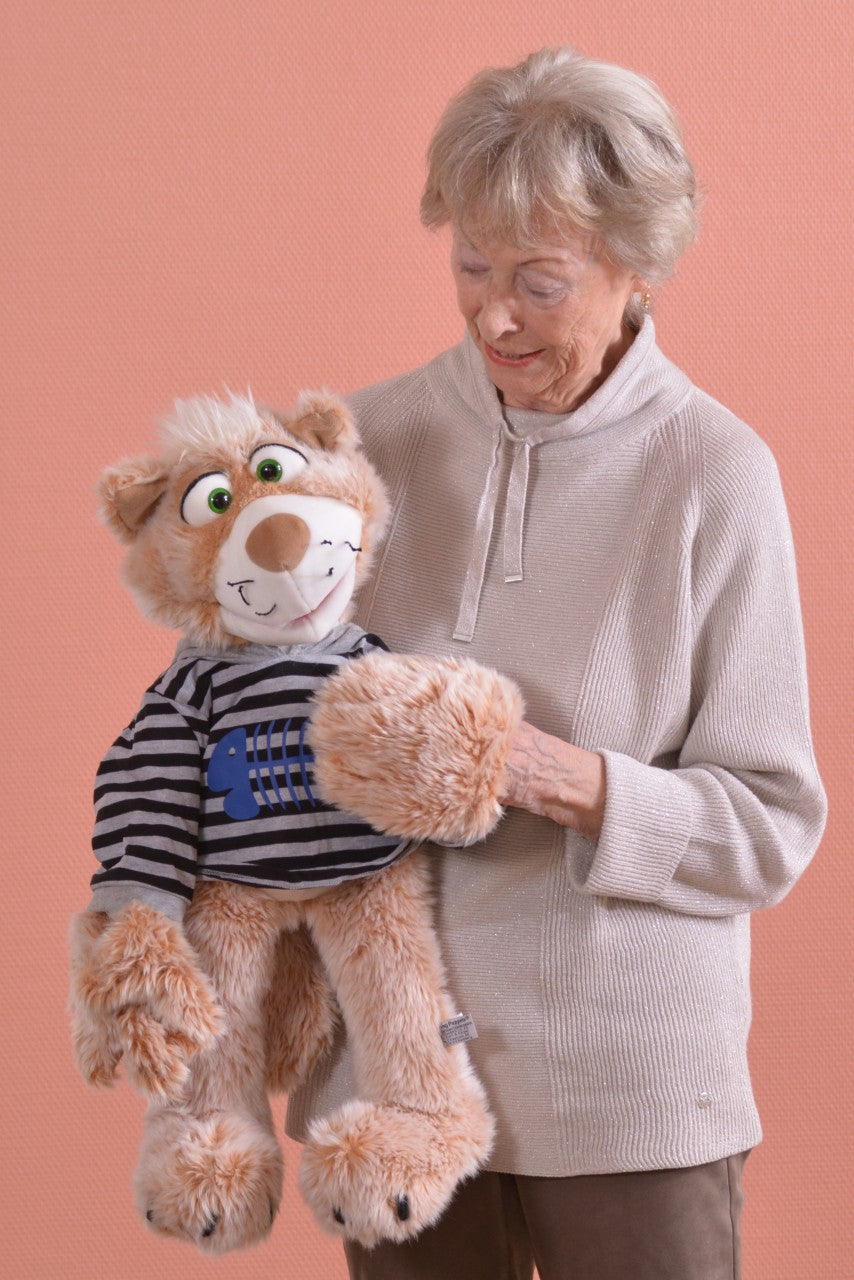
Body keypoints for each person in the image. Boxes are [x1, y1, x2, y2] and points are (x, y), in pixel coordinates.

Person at [286, 46, 827, 1280]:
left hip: (629, 1092)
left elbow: (769, 825)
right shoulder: (360, 446)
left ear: (637, 263)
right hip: (397, 1077)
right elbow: (242, 720)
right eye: (470, 266)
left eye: (538, 280)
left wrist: (551, 775)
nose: (492, 315)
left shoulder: (714, 473)